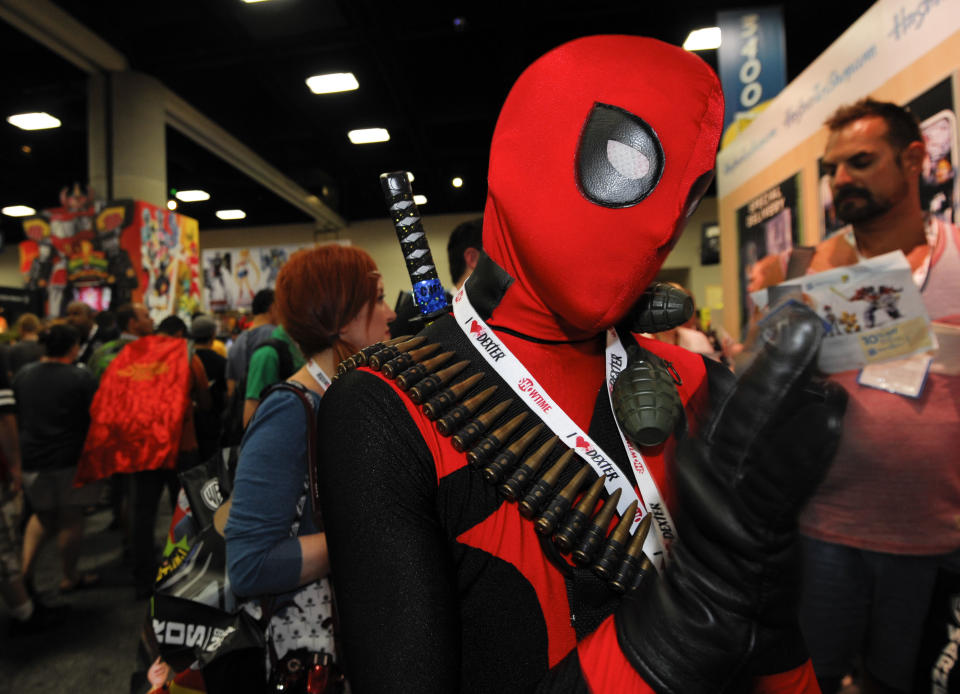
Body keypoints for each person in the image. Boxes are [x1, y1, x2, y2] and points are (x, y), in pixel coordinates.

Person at [317, 36, 843, 693]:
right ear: (528, 149)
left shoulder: (698, 383)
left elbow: (775, 654)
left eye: (690, 193)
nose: (662, 227)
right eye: (625, 161)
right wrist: (680, 620)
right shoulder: (389, 409)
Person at [748, 99, 960, 694]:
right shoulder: (807, 269)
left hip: (937, 540)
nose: (841, 180)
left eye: (861, 161)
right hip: (824, 532)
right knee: (809, 679)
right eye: (833, 167)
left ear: (914, 158)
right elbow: (758, 394)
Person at [225, 244, 395, 687]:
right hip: (312, 657)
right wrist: (380, 532)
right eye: (377, 299)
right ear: (340, 319)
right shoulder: (289, 412)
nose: (391, 312)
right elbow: (249, 564)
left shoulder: (343, 397)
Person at [15, 324, 100, 593]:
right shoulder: (80, 377)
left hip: (31, 456)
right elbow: (95, 415)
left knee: (41, 515)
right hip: (69, 457)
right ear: (74, 347)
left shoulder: (23, 375)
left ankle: (24, 573)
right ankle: (69, 575)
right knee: (71, 517)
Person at [225, 289, 276, 400]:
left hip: (242, 411)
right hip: (270, 409)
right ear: (273, 308)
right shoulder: (276, 335)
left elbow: (230, 389)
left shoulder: (237, 342)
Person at [190, 315, 227, 460]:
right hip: (213, 424)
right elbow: (227, 393)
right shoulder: (221, 362)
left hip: (189, 425)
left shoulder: (184, 360)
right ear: (213, 334)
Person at [65, 300, 104, 365]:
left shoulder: (105, 336)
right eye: (68, 314)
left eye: (76, 314)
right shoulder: (67, 337)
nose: (70, 319)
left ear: (90, 316)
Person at [7, 313, 44, 378]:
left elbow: (10, 374)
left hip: (21, 385)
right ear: (36, 327)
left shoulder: (14, 349)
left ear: (21, 328)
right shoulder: (44, 347)